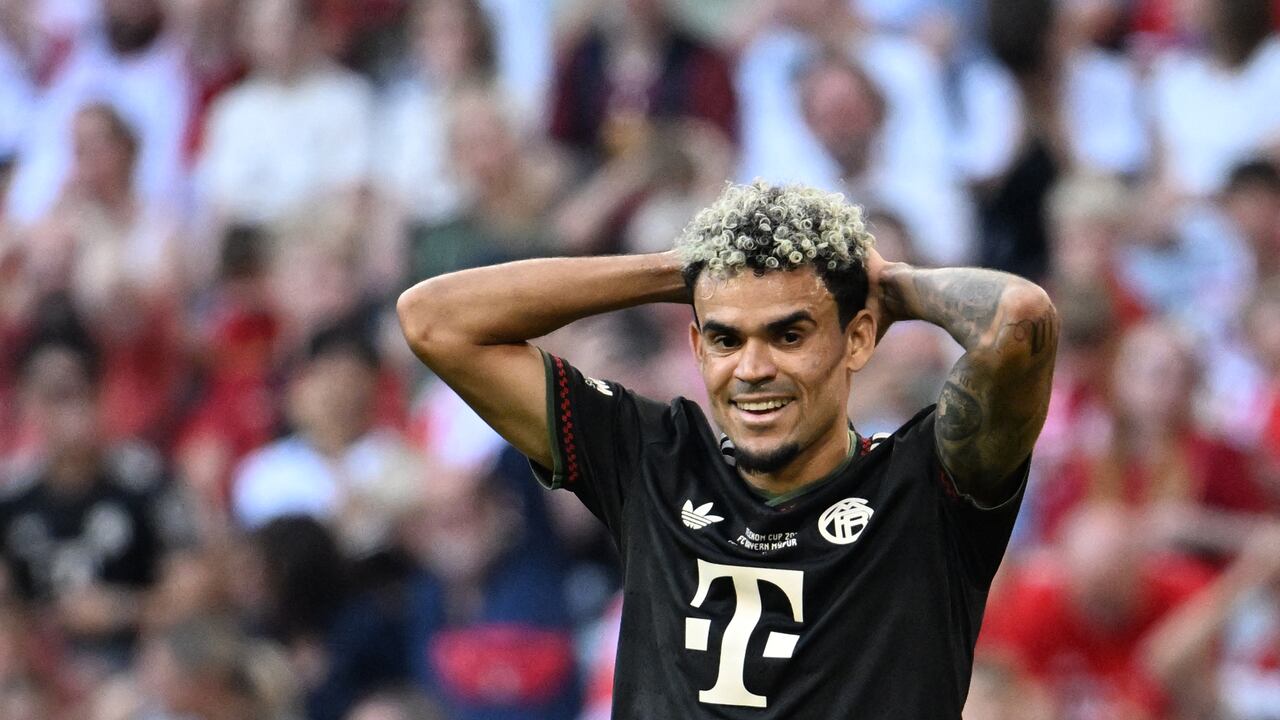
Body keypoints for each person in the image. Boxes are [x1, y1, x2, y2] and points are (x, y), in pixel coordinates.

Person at [397, 180, 1059, 716]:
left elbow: (1019, 321)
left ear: (858, 339)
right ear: (694, 347)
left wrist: (886, 282)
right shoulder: (653, 457)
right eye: (725, 338)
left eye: (789, 334)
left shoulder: (923, 484)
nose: (752, 367)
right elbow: (434, 320)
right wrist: (680, 268)